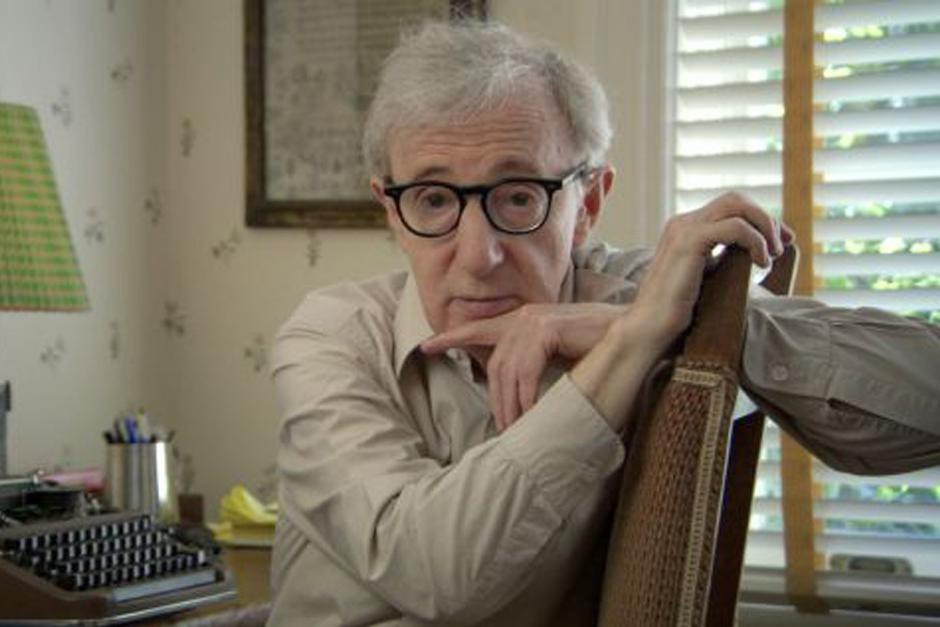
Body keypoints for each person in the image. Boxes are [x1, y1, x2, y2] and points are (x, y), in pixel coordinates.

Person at [268, 20, 940, 626]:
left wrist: (678, 329)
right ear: (392, 210)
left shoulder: (649, 295)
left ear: (587, 205)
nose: (477, 256)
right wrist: (634, 343)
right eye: (434, 199)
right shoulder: (332, 336)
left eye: (519, 196)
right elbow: (436, 576)